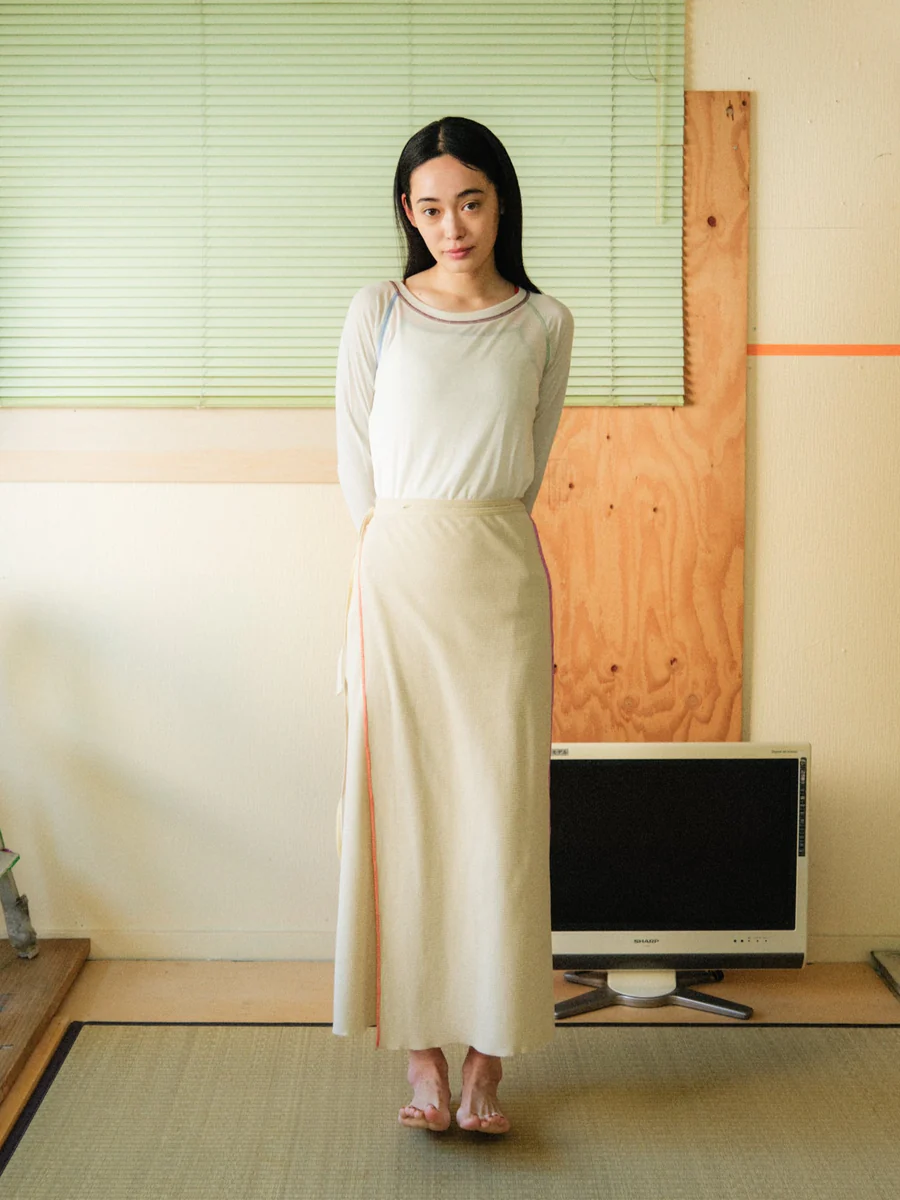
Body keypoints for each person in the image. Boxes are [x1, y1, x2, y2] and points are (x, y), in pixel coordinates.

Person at [332, 115, 575, 1135]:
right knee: (403, 816)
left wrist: (475, 534)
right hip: (397, 579)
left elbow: (531, 460)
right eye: (430, 208)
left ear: (500, 201)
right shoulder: (378, 312)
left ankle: (488, 1065)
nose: (452, 226)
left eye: (469, 202)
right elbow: (357, 466)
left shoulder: (544, 322)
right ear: (408, 213)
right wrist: (390, 563)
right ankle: (422, 1058)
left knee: (500, 822)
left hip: (499, 579)